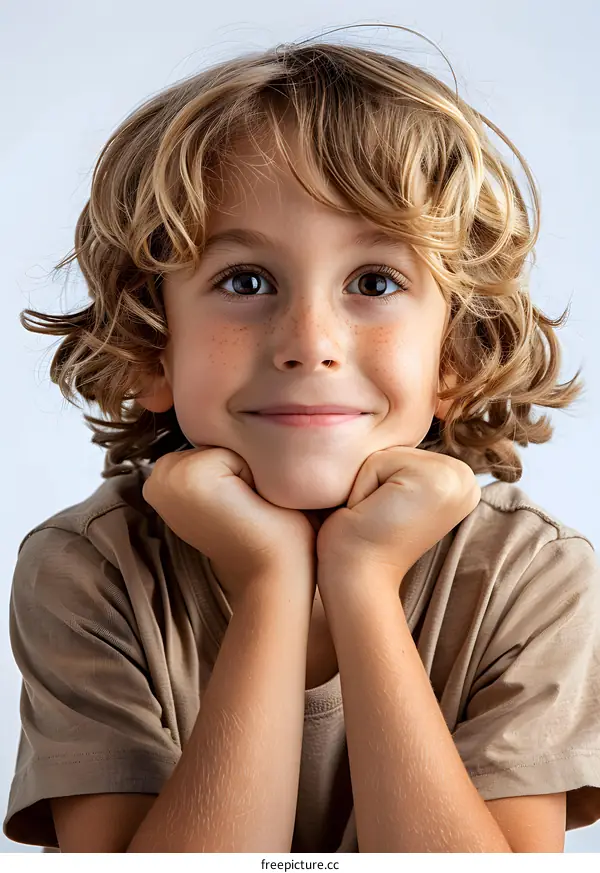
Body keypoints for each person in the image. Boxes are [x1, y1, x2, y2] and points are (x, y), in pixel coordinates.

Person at [3, 26, 600, 853]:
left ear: (455, 355)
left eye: (375, 282)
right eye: (245, 281)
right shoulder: (90, 569)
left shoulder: (532, 574)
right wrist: (273, 581)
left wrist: (361, 579)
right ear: (151, 347)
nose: (308, 339)